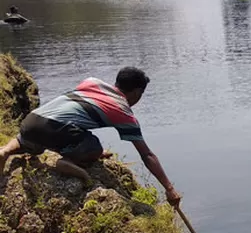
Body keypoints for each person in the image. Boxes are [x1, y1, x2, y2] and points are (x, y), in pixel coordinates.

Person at [0, 67, 182, 207]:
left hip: (31, 121)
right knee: (95, 147)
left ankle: (5, 150)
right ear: (136, 92)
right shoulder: (123, 112)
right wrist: (169, 189)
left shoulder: (92, 82)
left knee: (35, 145)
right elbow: (147, 155)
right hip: (55, 127)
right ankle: (69, 161)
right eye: (140, 94)